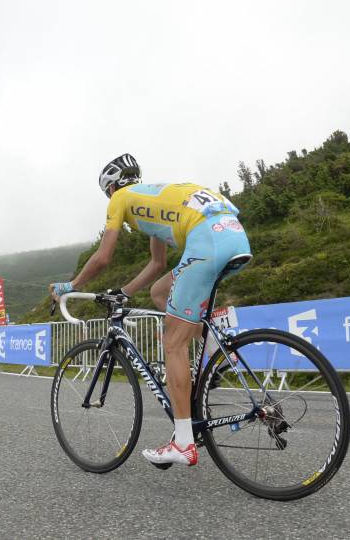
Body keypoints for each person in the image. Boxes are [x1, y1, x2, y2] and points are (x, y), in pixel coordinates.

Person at [50, 154, 250, 467]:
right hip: (233, 237)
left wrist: (70, 285)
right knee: (160, 291)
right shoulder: (152, 201)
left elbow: (103, 257)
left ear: (112, 187)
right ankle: (219, 344)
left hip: (206, 240)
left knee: (173, 345)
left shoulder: (121, 199)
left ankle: (183, 443)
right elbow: (157, 265)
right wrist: (123, 293)